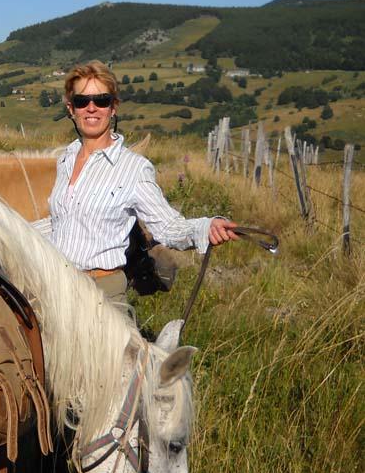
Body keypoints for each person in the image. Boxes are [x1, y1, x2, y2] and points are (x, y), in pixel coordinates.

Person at [48, 60, 238, 309]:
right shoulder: (65, 159)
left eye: (101, 100)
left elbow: (168, 227)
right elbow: (58, 225)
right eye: (82, 101)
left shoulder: (133, 168)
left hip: (101, 293)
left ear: (113, 107)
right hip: (56, 288)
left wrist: (206, 227)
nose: (91, 108)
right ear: (71, 108)